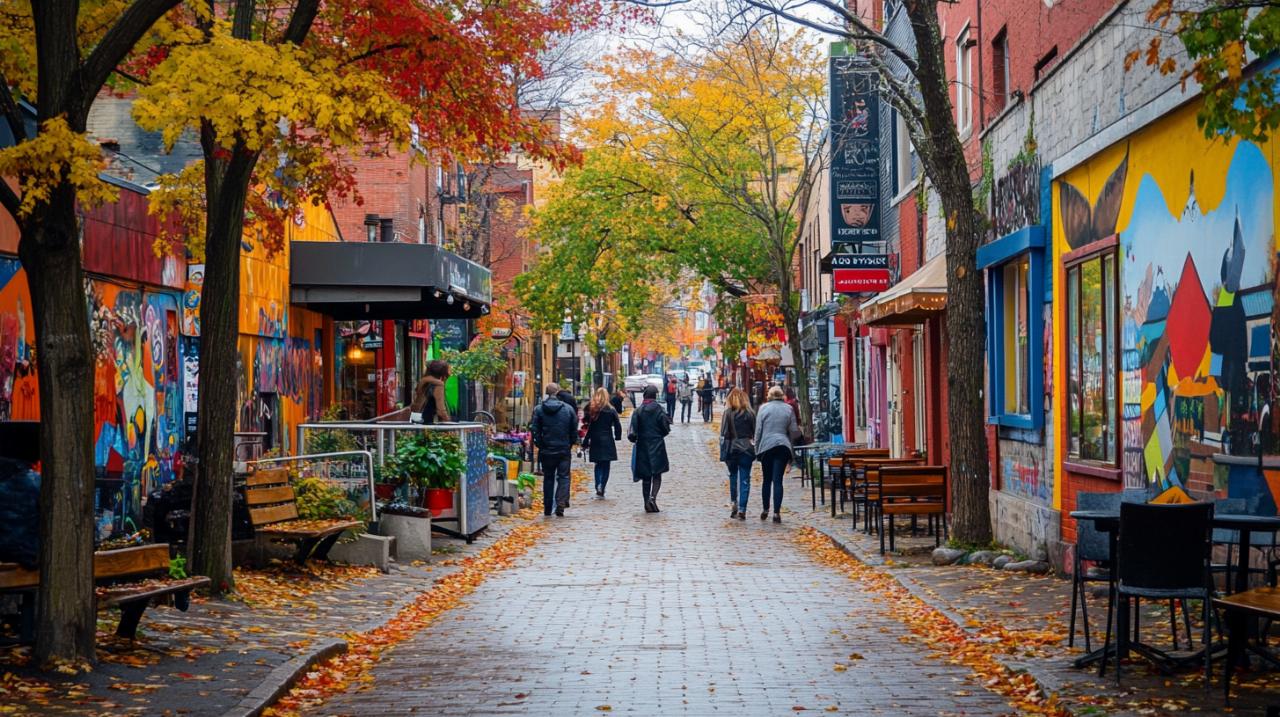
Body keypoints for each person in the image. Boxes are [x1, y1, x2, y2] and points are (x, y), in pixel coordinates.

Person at [754, 385, 800, 523]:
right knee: (778, 480)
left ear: (769, 395)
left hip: (766, 446)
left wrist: (757, 449)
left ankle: (765, 509)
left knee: (767, 479)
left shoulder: (763, 408)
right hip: (782, 445)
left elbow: (758, 431)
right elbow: (794, 430)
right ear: (782, 395)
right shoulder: (788, 409)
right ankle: (776, 512)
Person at [531, 383, 578, 517]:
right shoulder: (568, 409)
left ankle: (547, 507)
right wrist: (570, 443)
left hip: (547, 449)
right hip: (563, 449)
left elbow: (535, 429)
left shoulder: (539, 409)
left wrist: (540, 444)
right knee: (564, 476)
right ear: (557, 392)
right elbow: (573, 429)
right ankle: (561, 502)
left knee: (548, 477)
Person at [629, 384, 671, 513]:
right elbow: (666, 428)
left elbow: (632, 433)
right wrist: (659, 435)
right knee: (657, 474)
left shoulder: (638, 411)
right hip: (657, 444)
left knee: (646, 476)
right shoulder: (660, 410)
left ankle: (646, 501)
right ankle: (653, 497)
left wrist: (636, 439)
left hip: (643, 446)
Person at [720, 388, 755, 520]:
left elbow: (723, 433)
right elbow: (755, 432)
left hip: (732, 448)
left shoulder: (728, 413)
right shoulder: (750, 413)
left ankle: (734, 501)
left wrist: (723, 450)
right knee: (745, 479)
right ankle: (742, 508)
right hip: (746, 448)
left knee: (733, 476)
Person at [582, 388, 623, 498]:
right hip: (607, 439)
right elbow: (618, 425)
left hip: (595, 439)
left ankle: (598, 485)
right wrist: (618, 436)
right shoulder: (611, 410)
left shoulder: (593, 409)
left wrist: (585, 441)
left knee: (598, 464)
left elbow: (589, 426)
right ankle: (602, 486)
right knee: (606, 464)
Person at [410, 360, 451, 424]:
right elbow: (441, 410)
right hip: (428, 423)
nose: (450, 372)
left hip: (416, 420)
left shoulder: (424, 381)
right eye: (448, 370)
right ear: (443, 371)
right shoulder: (438, 384)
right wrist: (448, 422)